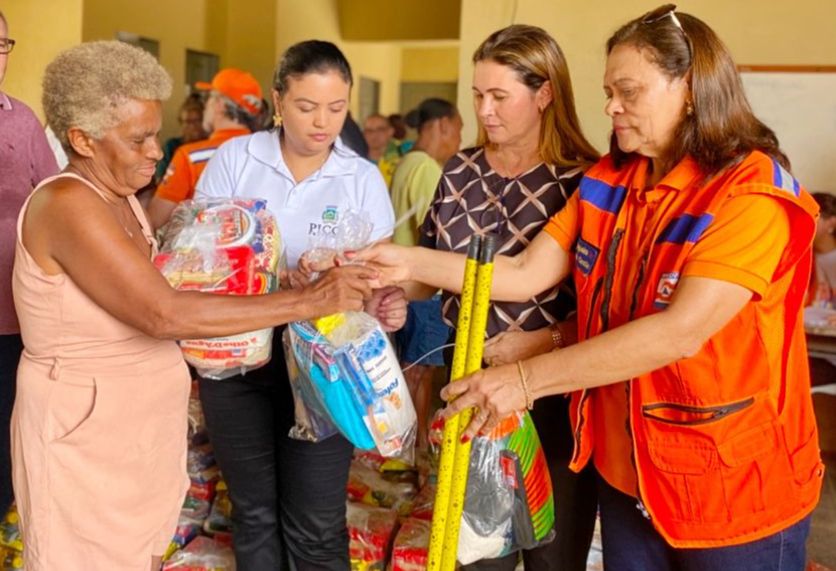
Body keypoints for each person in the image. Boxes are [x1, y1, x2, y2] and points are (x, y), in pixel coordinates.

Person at [357, 6, 823, 570]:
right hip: (629, 474)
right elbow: (525, 273)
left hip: (731, 485)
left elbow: (677, 333)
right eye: (608, 91)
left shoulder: (750, 194)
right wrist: (404, 260)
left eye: (628, 91)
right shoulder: (610, 181)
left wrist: (524, 377)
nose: (611, 107)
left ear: (692, 89)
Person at [11, 40, 381, 571]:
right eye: (138, 138)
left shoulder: (118, 199)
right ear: (81, 140)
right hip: (82, 437)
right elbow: (164, 312)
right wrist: (305, 300)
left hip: (131, 433)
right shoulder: (67, 203)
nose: (155, 150)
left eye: (155, 133)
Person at [194, 40, 405, 571]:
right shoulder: (236, 159)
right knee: (255, 512)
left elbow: (379, 280)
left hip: (325, 369)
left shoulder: (360, 179)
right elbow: (199, 258)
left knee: (315, 521)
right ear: (278, 100)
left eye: (337, 109)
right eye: (307, 107)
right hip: (239, 362)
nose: (323, 123)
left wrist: (384, 300)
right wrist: (277, 277)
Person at [402, 26, 602, 571]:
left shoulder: (584, 181)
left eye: (499, 97)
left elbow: (607, 309)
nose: (485, 111)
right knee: (472, 552)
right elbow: (427, 270)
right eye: (477, 95)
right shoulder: (459, 170)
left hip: (554, 394)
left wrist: (537, 343)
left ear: (544, 95)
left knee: (551, 557)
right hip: (466, 381)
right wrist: (383, 283)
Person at [0, 9, 60, 517]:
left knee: (5, 447)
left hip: (11, 315)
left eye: (2, 46)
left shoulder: (21, 120)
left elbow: (58, 201)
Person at [390, 98, 462, 449]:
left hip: (405, 289)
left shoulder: (406, 163)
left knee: (411, 370)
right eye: (459, 130)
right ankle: (416, 452)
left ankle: (406, 451)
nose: (459, 141)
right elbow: (434, 233)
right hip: (425, 289)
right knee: (420, 374)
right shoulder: (428, 170)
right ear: (443, 125)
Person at [147, 68, 264, 229]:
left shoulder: (190, 157)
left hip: (204, 251)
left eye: (208, 99)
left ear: (219, 105)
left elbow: (154, 220)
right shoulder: (270, 153)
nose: (205, 107)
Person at [154, 93, 208, 183]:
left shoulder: (211, 145)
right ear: (181, 123)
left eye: (197, 121)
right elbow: (160, 179)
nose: (192, 126)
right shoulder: (171, 146)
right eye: (188, 122)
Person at [363, 112, 401, 186]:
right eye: (369, 131)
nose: (374, 134)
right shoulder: (355, 158)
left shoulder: (402, 154)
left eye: (380, 129)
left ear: (390, 131)